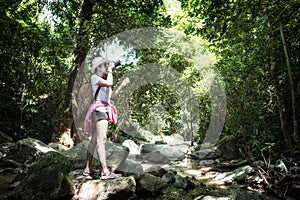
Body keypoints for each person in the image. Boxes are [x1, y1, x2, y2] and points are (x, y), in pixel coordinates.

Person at [83, 57, 130, 179]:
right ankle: (105, 171)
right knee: (101, 140)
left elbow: (112, 96)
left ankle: (87, 169)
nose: (107, 68)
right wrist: (110, 70)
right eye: (104, 66)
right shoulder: (95, 78)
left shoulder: (102, 81)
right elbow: (109, 83)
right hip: (99, 111)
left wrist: (122, 86)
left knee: (94, 140)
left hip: (102, 110)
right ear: (98, 67)